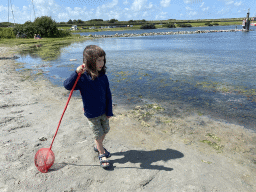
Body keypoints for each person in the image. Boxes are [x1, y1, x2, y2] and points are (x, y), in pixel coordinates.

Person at [63, 45, 113, 168]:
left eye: (103, 60)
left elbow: (108, 94)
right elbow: (67, 86)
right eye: (99, 60)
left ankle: (97, 145)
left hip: (103, 111)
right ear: (90, 61)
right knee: (97, 134)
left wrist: (109, 111)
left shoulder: (103, 77)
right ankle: (101, 153)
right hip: (91, 113)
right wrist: (76, 72)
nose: (102, 63)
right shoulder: (82, 78)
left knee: (105, 130)